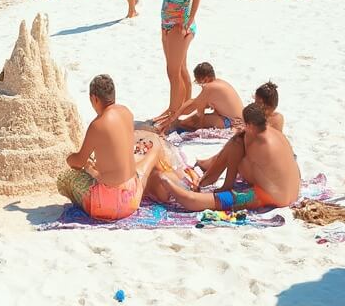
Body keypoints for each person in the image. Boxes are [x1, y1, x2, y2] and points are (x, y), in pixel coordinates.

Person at [152, 103, 300, 213]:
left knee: (194, 201)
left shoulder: (258, 143)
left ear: (250, 125)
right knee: (236, 144)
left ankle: (172, 181)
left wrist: (227, 178)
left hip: (273, 197)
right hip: (293, 190)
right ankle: (207, 179)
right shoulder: (275, 133)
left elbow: (236, 159)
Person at [56, 74, 163, 221]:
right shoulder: (127, 113)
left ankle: (91, 203)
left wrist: (69, 158)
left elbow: (78, 162)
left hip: (107, 205)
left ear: (94, 98)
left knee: (65, 178)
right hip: (133, 196)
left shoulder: (97, 125)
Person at [157, 0, 200, 124]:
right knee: (179, 68)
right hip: (168, 22)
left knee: (173, 71)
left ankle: (172, 113)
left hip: (178, 24)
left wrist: (188, 21)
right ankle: (184, 106)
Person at [154, 62, 243, 133]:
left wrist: (175, 118)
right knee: (185, 121)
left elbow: (198, 111)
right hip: (235, 119)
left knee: (186, 123)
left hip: (232, 122)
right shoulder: (219, 83)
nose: (200, 84)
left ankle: (169, 123)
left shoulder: (210, 87)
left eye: (199, 81)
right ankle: (171, 121)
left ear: (206, 78)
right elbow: (195, 103)